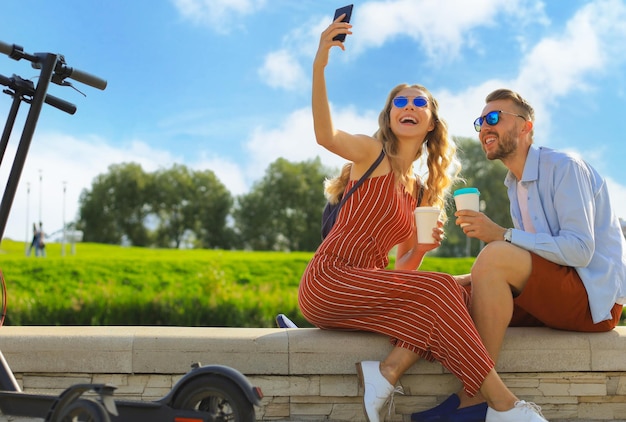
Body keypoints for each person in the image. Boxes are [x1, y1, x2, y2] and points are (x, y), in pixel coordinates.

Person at [298, 16, 548, 422]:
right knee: (440, 288)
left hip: (370, 287)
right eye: (400, 102)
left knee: (454, 290)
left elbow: (401, 270)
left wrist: (420, 248)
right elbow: (325, 136)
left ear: (431, 122)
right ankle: (503, 405)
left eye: (419, 103)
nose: (409, 106)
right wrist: (319, 63)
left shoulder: (418, 191)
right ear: (390, 116)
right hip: (330, 280)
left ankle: (388, 372)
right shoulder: (371, 155)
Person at [413, 88, 626, 422]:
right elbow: (532, 258)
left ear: (526, 127)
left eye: (494, 118)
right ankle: (390, 375)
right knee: (453, 292)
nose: (485, 127)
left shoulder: (565, 167)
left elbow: (580, 251)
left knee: (496, 254)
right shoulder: (514, 184)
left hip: (593, 301)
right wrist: (466, 278)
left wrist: (502, 235)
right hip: (557, 291)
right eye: (480, 122)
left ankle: (475, 398)